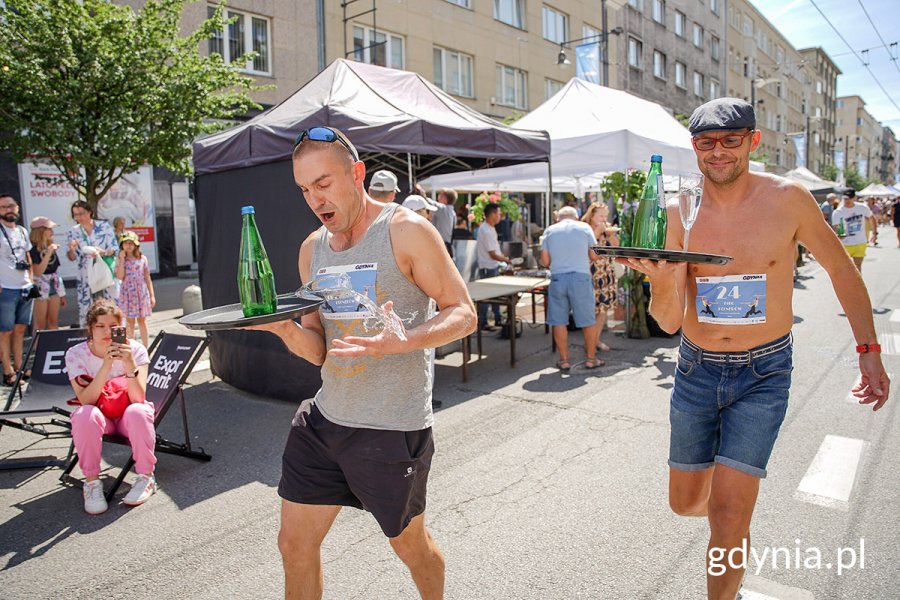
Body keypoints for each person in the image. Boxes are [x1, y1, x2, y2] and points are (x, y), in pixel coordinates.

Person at [620, 97, 890, 600]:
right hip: (696, 372)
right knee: (685, 503)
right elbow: (669, 320)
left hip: (764, 373)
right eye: (706, 143)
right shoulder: (680, 210)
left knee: (726, 515)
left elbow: (840, 269)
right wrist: (659, 282)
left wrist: (868, 349)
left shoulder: (788, 200)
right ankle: (733, 516)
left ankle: (731, 545)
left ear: (753, 141)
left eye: (730, 141)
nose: (718, 152)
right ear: (694, 148)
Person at [249, 126, 476, 599]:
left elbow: (464, 313)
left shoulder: (406, 230)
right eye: (305, 189)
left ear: (357, 173)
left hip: (391, 428)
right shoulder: (312, 250)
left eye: (324, 183)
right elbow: (318, 349)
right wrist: (284, 328)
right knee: (293, 545)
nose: (314, 198)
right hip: (325, 419)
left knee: (411, 548)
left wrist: (405, 340)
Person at [65, 299, 154, 515]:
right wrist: (106, 365)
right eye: (100, 326)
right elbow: (86, 399)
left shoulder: (136, 350)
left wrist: (129, 363)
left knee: (139, 411)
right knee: (84, 414)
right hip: (100, 418)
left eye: (113, 326)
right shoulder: (76, 354)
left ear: (122, 328)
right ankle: (92, 482)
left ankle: (145, 477)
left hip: (126, 416)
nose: (107, 331)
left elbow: (138, 397)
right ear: (90, 329)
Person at [541, 206, 602, 371]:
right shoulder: (584, 227)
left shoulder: (549, 230)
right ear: (576, 217)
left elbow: (545, 261)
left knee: (558, 321)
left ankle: (564, 360)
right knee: (588, 320)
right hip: (581, 278)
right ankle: (591, 359)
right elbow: (594, 255)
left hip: (558, 278)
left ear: (558, 218)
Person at [0, 194, 36, 386]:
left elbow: (27, 256)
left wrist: (30, 279)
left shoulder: (22, 231)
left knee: (21, 330)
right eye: (4, 207)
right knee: (4, 331)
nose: (8, 209)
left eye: (11, 206)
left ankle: (20, 366)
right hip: (6, 289)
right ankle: (8, 371)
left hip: (24, 287)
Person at [66, 200, 119, 326]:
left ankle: (116, 337)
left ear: (90, 212)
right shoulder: (73, 231)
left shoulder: (104, 226)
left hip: (105, 272)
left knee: (111, 305)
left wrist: (104, 252)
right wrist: (71, 249)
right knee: (87, 309)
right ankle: (89, 339)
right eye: (76, 215)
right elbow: (72, 257)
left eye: (81, 213)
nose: (79, 217)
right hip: (86, 276)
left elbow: (115, 249)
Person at [582, 202, 619, 353]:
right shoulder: (585, 229)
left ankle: (595, 341)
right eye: (600, 215)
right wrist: (597, 232)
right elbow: (586, 250)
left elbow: (617, 247)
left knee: (603, 309)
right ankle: (590, 343)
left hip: (606, 272)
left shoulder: (607, 228)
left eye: (605, 215)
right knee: (592, 309)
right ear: (592, 215)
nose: (604, 219)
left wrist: (610, 235)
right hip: (591, 272)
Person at [115, 231, 155, 348]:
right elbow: (120, 276)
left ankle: (145, 347)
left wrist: (152, 295)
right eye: (125, 243)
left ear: (136, 244)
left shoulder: (142, 259)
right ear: (121, 245)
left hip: (141, 292)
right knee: (130, 321)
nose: (128, 245)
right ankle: (131, 347)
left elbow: (147, 277)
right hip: (128, 293)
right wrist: (121, 259)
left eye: (131, 243)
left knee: (142, 320)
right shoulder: (120, 260)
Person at [475, 202, 510, 332]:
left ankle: (497, 318)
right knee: (487, 297)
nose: (500, 216)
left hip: (491, 266)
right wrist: (506, 259)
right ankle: (483, 322)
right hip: (488, 267)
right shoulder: (486, 230)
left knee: (495, 296)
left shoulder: (489, 228)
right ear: (492, 214)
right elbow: (493, 254)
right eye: (498, 213)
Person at [29, 216, 67, 332]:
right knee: (40, 324)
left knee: (53, 322)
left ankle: (53, 349)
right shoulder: (33, 250)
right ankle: (36, 349)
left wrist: (61, 294)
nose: (52, 232)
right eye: (49, 229)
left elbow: (55, 271)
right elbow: (38, 271)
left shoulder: (50, 247)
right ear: (41, 231)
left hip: (54, 285)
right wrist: (49, 252)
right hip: (40, 286)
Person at [831, 189, 876, 272]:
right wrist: (839, 234)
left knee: (857, 267)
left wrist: (874, 233)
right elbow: (836, 227)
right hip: (845, 244)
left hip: (860, 242)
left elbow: (871, 217)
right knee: (845, 268)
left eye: (849, 198)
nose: (847, 200)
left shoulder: (862, 207)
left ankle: (857, 285)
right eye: (845, 199)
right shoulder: (838, 212)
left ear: (855, 198)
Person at [433, 188, 457, 256]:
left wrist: (421, 193)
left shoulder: (443, 209)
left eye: (440, 195)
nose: (438, 197)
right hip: (446, 246)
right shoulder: (452, 212)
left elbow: (429, 202)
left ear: (445, 199)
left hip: (442, 247)